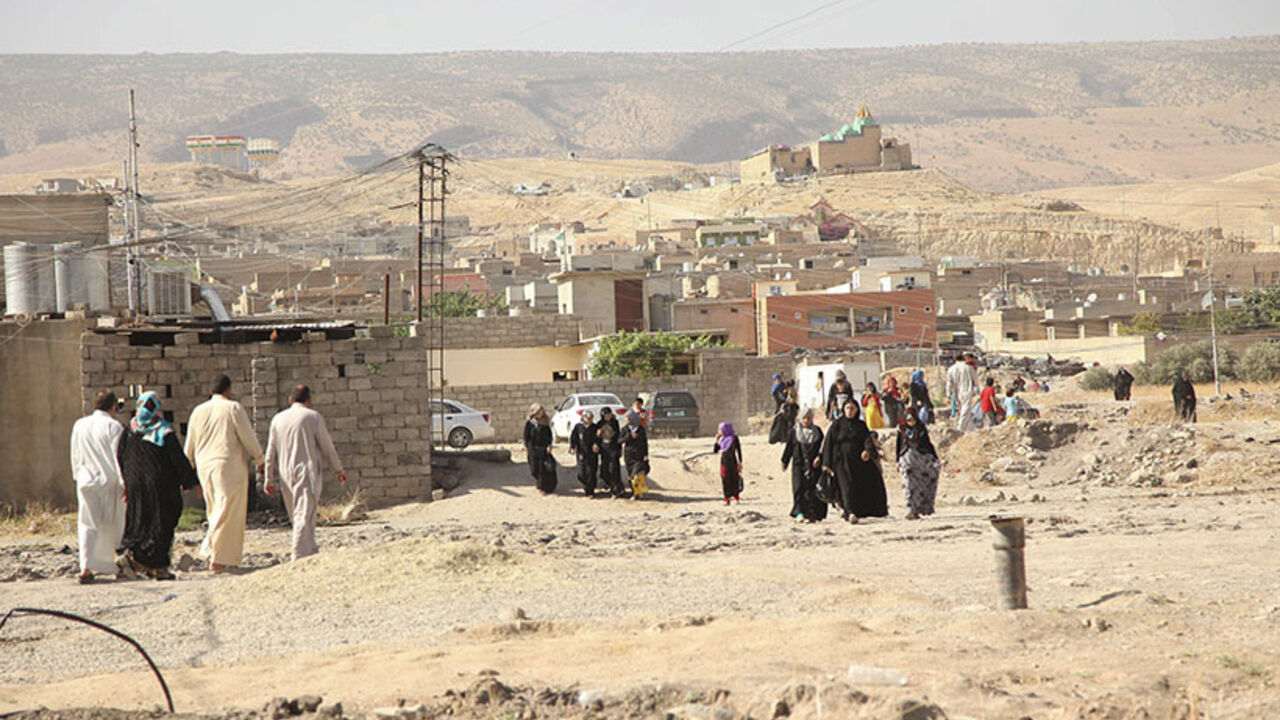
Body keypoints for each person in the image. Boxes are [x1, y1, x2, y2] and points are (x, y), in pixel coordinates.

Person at [185, 375, 265, 574]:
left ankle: (214, 553)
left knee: (215, 510)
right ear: (228, 390)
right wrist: (260, 459)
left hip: (205, 468)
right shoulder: (232, 408)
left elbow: (189, 446)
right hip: (228, 466)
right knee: (229, 511)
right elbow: (248, 436)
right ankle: (217, 557)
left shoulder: (198, 411)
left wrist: (187, 471)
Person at [117, 392, 199, 580]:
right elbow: (177, 459)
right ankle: (157, 566)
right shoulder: (163, 431)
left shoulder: (129, 430)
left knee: (140, 521)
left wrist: (127, 483)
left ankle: (140, 562)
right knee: (161, 524)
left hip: (136, 487)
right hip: (160, 489)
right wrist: (191, 482)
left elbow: (120, 456)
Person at [263, 385, 347, 561]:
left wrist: (268, 478)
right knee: (304, 512)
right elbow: (327, 446)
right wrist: (338, 469)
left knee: (297, 512)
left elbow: (270, 451)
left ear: (291, 400)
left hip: (285, 471)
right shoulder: (313, 417)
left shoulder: (278, 419)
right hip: (305, 469)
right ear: (308, 401)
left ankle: (309, 549)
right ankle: (299, 554)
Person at [69, 390, 126, 583]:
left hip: (86, 481)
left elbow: (75, 455)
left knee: (87, 524)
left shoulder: (79, 425)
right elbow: (119, 458)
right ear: (112, 407)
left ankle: (86, 567)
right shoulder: (114, 426)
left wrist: (77, 477)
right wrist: (125, 483)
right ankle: (114, 565)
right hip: (109, 482)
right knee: (113, 524)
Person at [821, 400, 888, 523]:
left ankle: (855, 511)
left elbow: (867, 440)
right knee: (845, 486)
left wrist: (867, 450)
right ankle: (850, 512)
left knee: (857, 486)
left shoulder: (861, 425)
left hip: (857, 461)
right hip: (840, 462)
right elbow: (828, 444)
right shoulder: (836, 425)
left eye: (852, 408)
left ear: (857, 410)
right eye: (847, 408)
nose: (850, 411)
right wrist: (826, 463)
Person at [781, 408, 826, 523]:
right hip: (798, 465)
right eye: (804, 418)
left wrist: (819, 458)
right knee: (799, 488)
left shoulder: (817, 431)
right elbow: (789, 448)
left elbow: (823, 448)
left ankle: (812, 514)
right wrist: (784, 462)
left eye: (809, 418)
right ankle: (799, 512)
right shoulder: (794, 432)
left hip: (814, 466)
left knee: (813, 490)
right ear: (800, 419)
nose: (806, 420)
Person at [895, 409, 940, 520]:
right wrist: (897, 461)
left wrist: (934, 458)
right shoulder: (901, 428)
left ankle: (922, 509)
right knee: (908, 485)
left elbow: (927, 444)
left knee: (921, 485)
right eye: (909, 419)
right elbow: (899, 445)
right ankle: (911, 509)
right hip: (906, 460)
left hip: (921, 460)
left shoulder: (921, 428)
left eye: (913, 419)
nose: (911, 421)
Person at [523, 404, 557, 495]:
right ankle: (539, 482)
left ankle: (542, 486)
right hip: (532, 449)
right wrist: (526, 446)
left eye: (542, 411)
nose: (541, 413)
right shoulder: (530, 423)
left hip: (543, 448)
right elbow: (526, 436)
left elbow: (549, 436)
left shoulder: (545, 423)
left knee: (542, 468)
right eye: (539, 412)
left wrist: (549, 446)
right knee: (534, 468)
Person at [596, 407, 626, 497]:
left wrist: (619, 449)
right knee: (604, 469)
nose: (608, 417)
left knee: (614, 469)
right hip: (604, 449)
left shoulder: (614, 423)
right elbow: (596, 438)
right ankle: (608, 484)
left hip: (613, 449)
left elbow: (618, 437)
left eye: (609, 415)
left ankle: (616, 490)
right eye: (606, 415)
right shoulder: (599, 424)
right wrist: (598, 434)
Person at [569, 410, 599, 497]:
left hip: (592, 454)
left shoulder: (594, 427)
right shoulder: (578, 427)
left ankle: (590, 491)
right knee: (581, 472)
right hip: (581, 453)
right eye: (588, 418)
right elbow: (573, 438)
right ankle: (585, 485)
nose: (590, 420)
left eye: (591, 418)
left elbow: (598, 438)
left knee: (591, 472)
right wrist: (572, 447)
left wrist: (597, 445)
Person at [620, 411, 650, 499]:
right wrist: (629, 436)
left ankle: (640, 491)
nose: (626, 420)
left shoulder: (640, 429)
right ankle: (635, 492)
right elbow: (619, 440)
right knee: (630, 475)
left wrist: (646, 454)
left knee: (637, 474)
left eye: (627, 418)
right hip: (629, 455)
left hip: (639, 455)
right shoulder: (625, 429)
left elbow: (644, 443)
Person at [946, 354, 979, 431]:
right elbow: (976, 380)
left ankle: (971, 427)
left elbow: (949, 383)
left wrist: (948, 395)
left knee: (963, 410)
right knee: (965, 409)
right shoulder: (969, 368)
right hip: (967, 390)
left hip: (957, 392)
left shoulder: (951, 369)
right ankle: (960, 428)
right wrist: (976, 390)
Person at [713, 422, 743, 505]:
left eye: (720, 429)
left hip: (733, 462)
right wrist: (716, 441)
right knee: (725, 480)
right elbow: (715, 451)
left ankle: (736, 498)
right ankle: (727, 499)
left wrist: (740, 463)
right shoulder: (721, 439)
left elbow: (739, 451)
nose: (719, 431)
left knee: (734, 479)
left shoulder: (734, 438)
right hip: (724, 462)